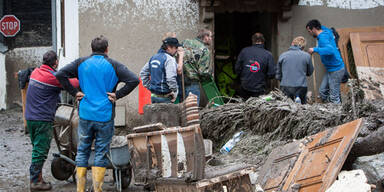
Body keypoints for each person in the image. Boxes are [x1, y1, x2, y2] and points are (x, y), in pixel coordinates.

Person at [55, 36, 139, 192]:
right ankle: (97, 189)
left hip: (85, 114)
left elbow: (60, 75)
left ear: (91, 49)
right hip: (105, 116)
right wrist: (117, 95)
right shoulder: (113, 65)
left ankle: (80, 189)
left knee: (82, 150)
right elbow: (134, 80)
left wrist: (75, 92)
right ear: (107, 49)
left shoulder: (81, 63)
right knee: (100, 152)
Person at [25, 50, 79, 191]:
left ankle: (38, 178)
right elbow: (72, 83)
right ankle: (35, 182)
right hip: (42, 119)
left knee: (37, 148)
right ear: (55, 63)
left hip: (30, 117)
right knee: (41, 150)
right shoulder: (53, 78)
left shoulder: (36, 72)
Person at [306, 19, 345, 104]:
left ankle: (338, 114)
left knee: (334, 97)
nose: (309, 33)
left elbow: (330, 50)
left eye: (309, 31)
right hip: (331, 69)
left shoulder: (323, 38)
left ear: (314, 29)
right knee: (323, 91)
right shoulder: (325, 31)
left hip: (336, 70)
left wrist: (315, 49)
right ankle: (330, 106)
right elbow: (325, 28)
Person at [235, 32, 275, 100]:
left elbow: (237, 69)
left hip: (245, 88)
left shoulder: (244, 51)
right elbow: (271, 74)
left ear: (252, 41)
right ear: (263, 42)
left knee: (243, 107)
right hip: (260, 89)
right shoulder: (268, 55)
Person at [140, 37, 180, 103]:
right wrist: (175, 92)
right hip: (166, 97)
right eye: (176, 48)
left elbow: (143, 73)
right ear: (169, 48)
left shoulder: (154, 57)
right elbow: (170, 78)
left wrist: (149, 87)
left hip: (154, 96)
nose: (176, 50)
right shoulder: (169, 59)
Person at [276, 36, 314, 104]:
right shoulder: (306, 56)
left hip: (285, 86)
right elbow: (310, 72)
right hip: (301, 87)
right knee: (301, 108)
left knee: (286, 107)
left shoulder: (283, 55)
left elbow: (278, 75)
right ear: (303, 47)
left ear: (292, 44)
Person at [182, 29, 213, 105]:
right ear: (205, 37)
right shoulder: (204, 50)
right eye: (210, 36)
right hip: (192, 81)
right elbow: (203, 71)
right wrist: (210, 74)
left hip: (180, 79)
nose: (211, 39)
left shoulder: (186, 42)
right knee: (193, 109)